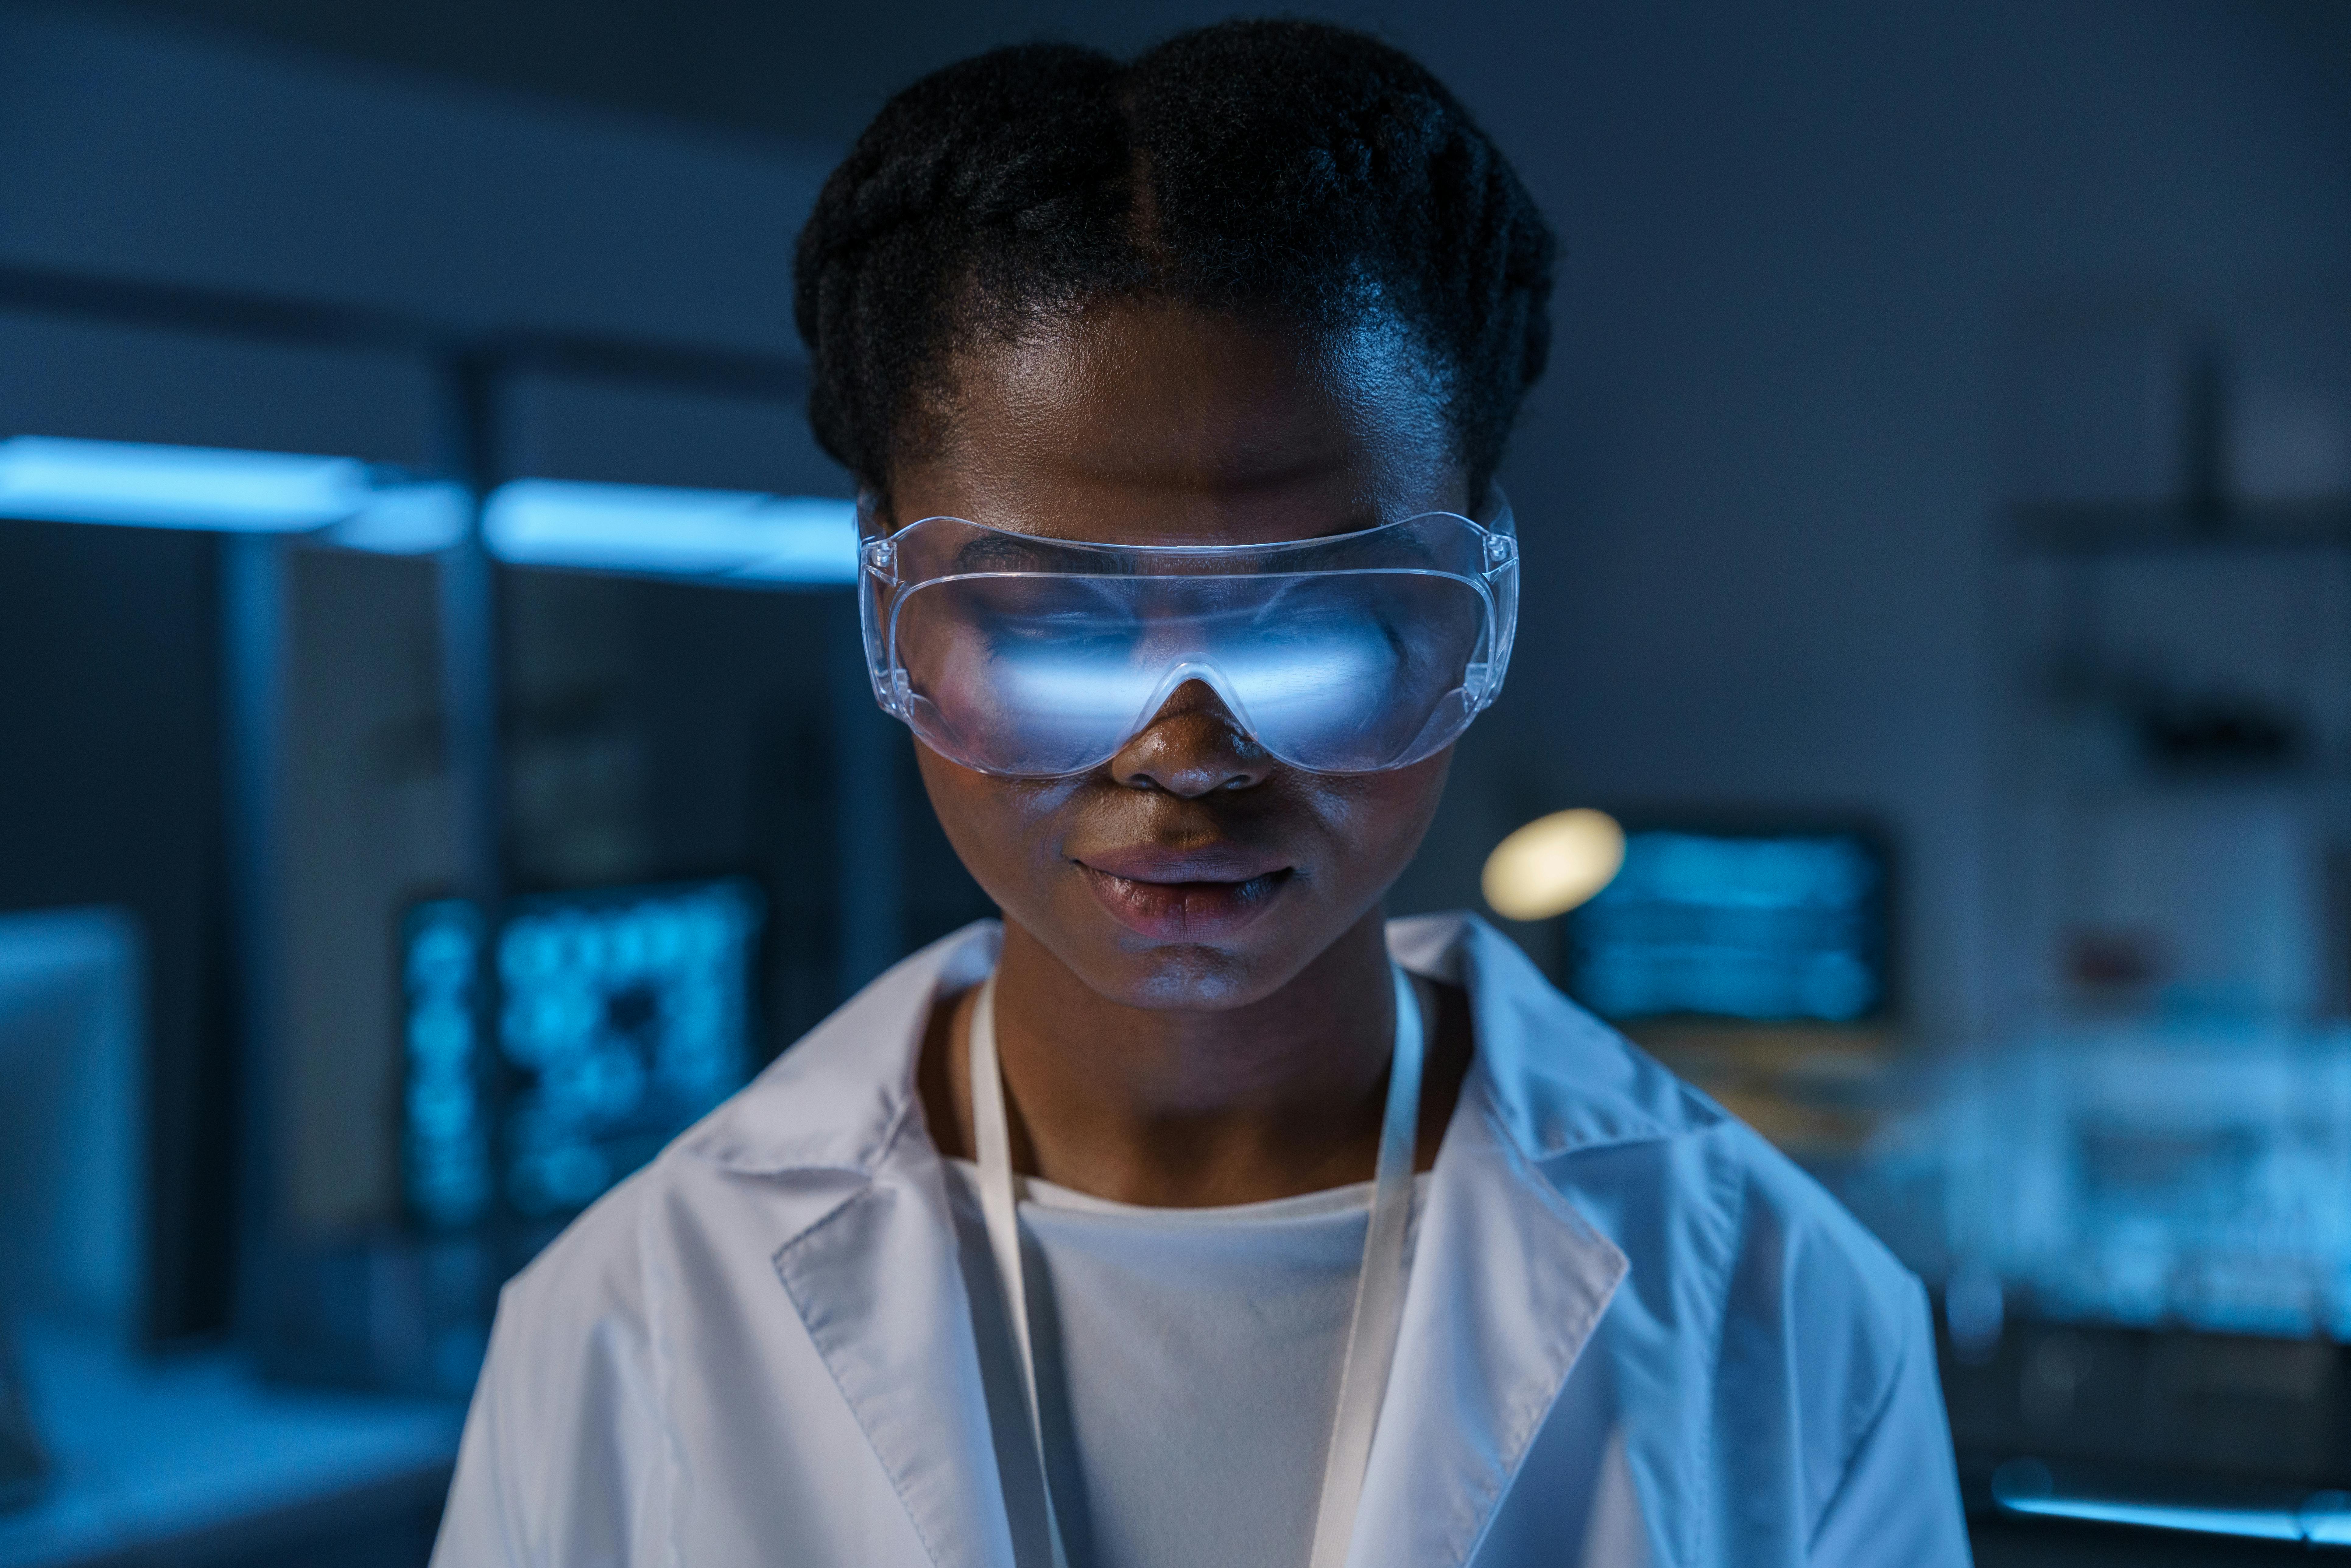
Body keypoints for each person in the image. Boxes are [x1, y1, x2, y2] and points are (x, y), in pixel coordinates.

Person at [431, 20, 1970, 1567]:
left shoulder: (1780, 1319)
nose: (1185, 757)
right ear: (890, 603)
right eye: (1049, 623)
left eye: (1311, 623)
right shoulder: (627, 1324)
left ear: (1468, 601)